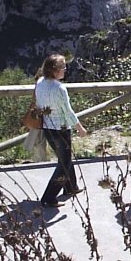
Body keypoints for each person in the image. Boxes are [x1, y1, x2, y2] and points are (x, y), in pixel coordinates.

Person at [35, 54, 88, 208]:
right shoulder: (59, 88)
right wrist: (80, 128)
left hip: (47, 126)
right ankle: (49, 197)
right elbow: (68, 111)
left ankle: (71, 187)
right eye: (63, 67)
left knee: (65, 157)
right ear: (55, 70)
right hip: (61, 129)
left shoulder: (40, 82)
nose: (65, 70)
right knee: (64, 163)